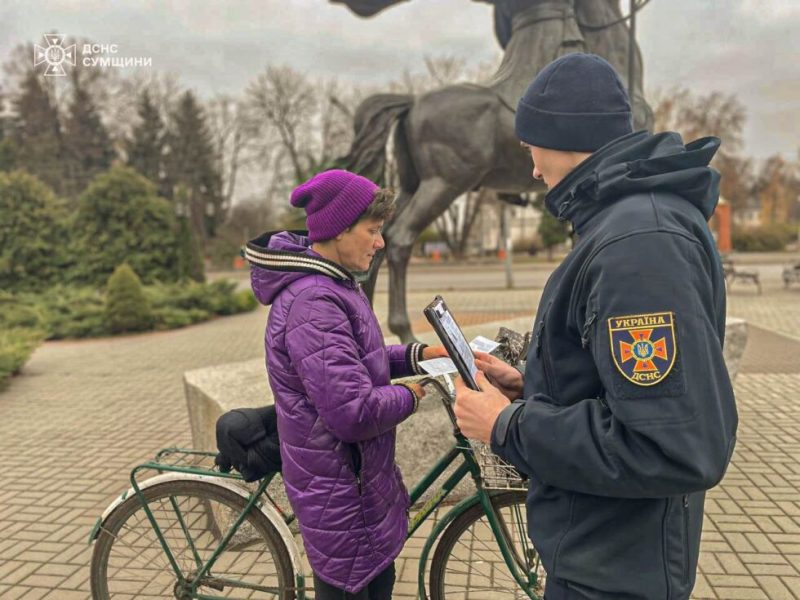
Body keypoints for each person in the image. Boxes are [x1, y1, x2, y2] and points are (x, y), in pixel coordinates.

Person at [452, 53, 738, 600]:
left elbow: (669, 446)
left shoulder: (638, 243)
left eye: (531, 147)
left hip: (613, 570)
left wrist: (505, 425)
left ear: (562, 138)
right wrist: (532, 385)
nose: (532, 169)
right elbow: (620, 388)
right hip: (608, 552)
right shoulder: (627, 221)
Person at [246, 169, 445, 599]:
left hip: (357, 491)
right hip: (341, 503)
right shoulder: (314, 302)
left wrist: (421, 356)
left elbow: (360, 361)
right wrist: (411, 395)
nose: (381, 242)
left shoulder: (337, 285)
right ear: (339, 231)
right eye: (373, 231)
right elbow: (353, 413)